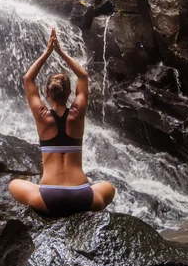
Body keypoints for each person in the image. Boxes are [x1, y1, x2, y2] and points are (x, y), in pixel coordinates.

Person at [9, 27, 115, 217]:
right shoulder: (77, 113)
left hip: (49, 197)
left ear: (47, 93)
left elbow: (28, 78)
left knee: (14, 185)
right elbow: (83, 76)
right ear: (70, 94)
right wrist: (61, 52)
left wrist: (47, 52)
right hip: (82, 195)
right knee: (108, 187)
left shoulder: (42, 117)